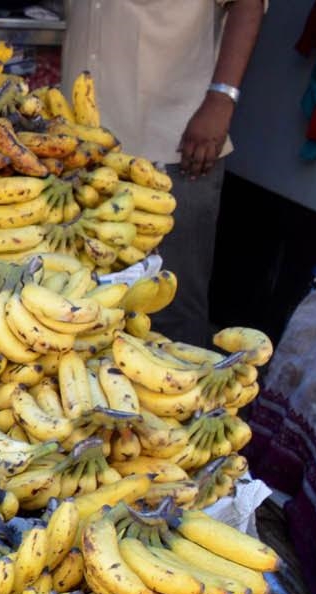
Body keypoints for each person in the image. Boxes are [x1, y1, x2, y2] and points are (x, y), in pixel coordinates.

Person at [64, 0, 263, 342]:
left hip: (170, 144)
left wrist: (222, 98)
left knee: (169, 305)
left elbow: (248, 5)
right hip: (75, 145)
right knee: (74, 298)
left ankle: (183, 392)